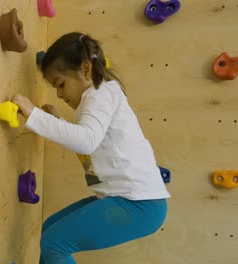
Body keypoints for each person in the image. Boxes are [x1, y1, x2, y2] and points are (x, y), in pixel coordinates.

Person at [11, 32, 170, 264]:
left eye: (61, 84)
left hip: (139, 205)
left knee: (55, 242)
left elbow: (86, 141)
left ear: (86, 69)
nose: (59, 94)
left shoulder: (100, 93)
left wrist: (34, 115)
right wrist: (59, 123)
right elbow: (90, 146)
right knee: (50, 230)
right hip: (132, 200)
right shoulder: (100, 96)